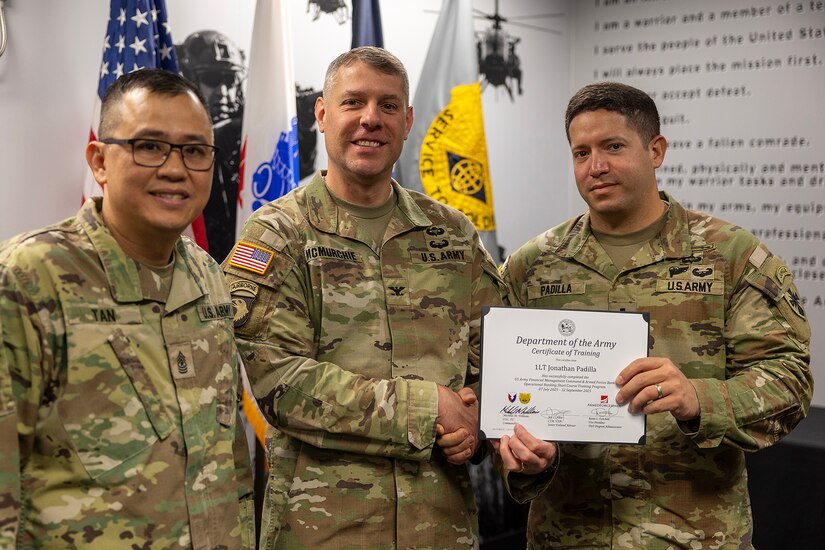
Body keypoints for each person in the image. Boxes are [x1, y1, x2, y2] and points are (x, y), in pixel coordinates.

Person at [224, 46, 556, 548]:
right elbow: (282, 383)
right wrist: (431, 408)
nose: (370, 120)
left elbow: (499, 359)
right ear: (321, 113)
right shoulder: (278, 234)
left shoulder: (452, 234)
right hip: (324, 530)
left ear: (408, 121)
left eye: (388, 106)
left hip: (440, 528)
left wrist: (487, 430)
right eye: (353, 102)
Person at [501, 81, 813, 548]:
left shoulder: (730, 256)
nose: (596, 166)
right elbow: (497, 386)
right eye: (581, 153)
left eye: (613, 147)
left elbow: (790, 381)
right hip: (566, 535)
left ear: (656, 150)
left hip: (693, 535)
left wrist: (699, 400)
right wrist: (522, 452)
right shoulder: (533, 266)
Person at [0, 69, 254, 548]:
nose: (176, 169)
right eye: (149, 146)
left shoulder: (208, 276)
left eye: (195, 151)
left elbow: (227, 456)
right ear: (98, 161)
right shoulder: (30, 277)